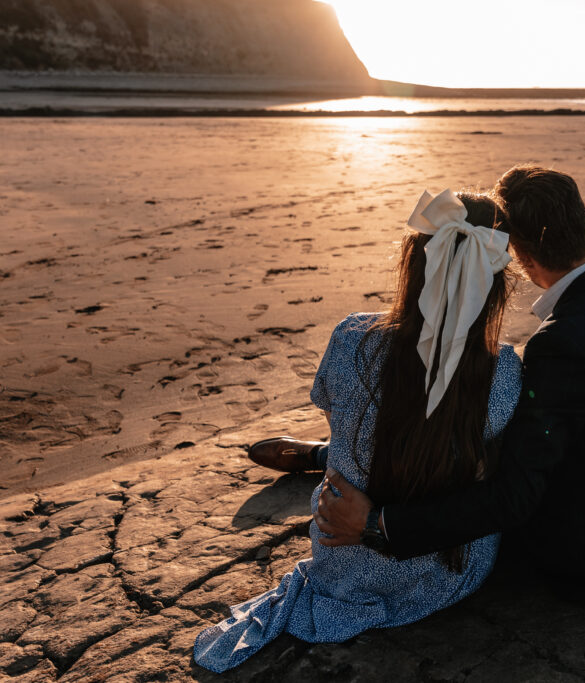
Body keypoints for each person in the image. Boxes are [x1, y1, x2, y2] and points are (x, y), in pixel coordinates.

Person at [313, 166, 585, 604]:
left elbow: (515, 496)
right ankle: (320, 454)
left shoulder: (560, 344)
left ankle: (329, 456)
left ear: (520, 256)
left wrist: (381, 525)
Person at [193, 189, 521, 672]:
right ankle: (313, 457)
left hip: (341, 563)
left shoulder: (351, 339)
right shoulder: (504, 373)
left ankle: (315, 457)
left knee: (349, 447)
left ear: (412, 266)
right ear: (494, 285)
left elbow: (348, 428)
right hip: (444, 573)